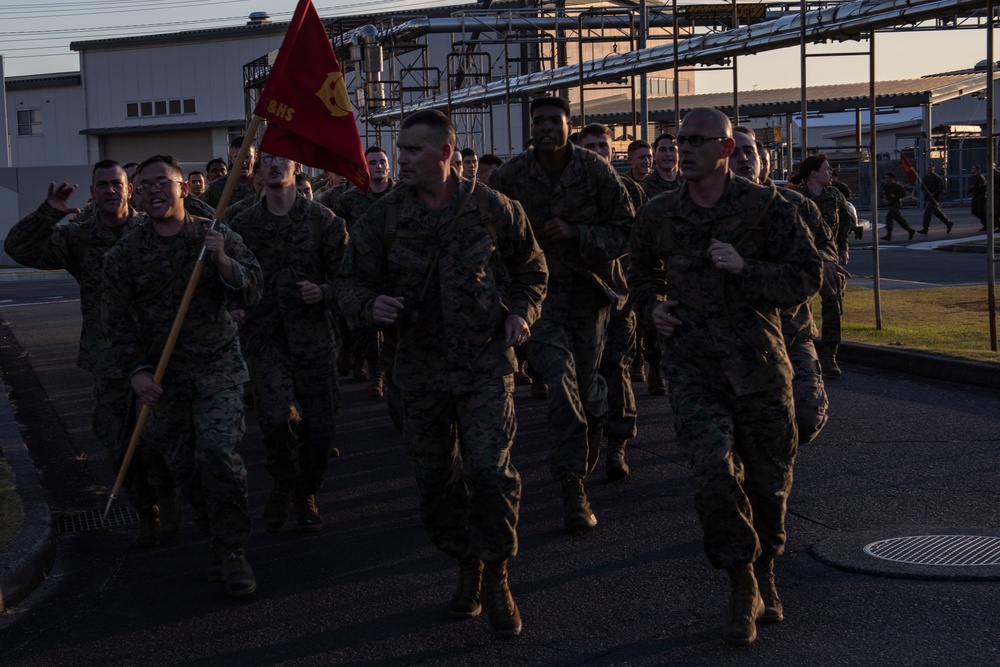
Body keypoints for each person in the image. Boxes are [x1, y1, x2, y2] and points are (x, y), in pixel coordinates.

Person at [336, 109, 547, 637]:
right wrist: (370, 305)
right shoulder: (382, 219)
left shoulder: (493, 207)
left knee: (490, 474)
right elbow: (348, 283)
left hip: (483, 364)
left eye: (412, 150)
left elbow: (532, 267)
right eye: (399, 149)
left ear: (446, 154)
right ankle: (466, 562)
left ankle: (496, 572)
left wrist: (522, 312)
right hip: (418, 371)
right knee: (436, 484)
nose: (401, 159)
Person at [629, 107, 820, 647]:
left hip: (759, 365)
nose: (683, 149)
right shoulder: (659, 213)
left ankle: (766, 573)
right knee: (714, 473)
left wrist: (747, 268)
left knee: (768, 485)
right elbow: (638, 272)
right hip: (693, 369)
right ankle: (740, 581)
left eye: (696, 141)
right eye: (679, 141)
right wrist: (651, 307)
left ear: (727, 149)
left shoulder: (769, 209)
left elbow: (806, 276)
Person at [102, 155, 263, 598]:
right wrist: (135, 371)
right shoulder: (126, 254)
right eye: (145, 184)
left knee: (217, 453)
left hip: (217, 368)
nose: (154, 190)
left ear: (183, 189)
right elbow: (114, 319)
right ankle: (214, 534)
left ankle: (233, 549)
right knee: (185, 467)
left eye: (163, 182)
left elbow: (254, 287)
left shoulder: (213, 236)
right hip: (164, 380)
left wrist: (223, 261)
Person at [4, 160, 177, 548]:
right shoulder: (80, 236)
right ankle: (144, 509)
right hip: (109, 359)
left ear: (129, 189)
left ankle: (167, 498)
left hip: (157, 356)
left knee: (156, 439)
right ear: (93, 192)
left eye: (117, 184)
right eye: (102, 185)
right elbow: (17, 248)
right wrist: (48, 213)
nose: (111, 191)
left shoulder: (153, 226)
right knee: (117, 441)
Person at [492, 96, 634, 533]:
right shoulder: (512, 176)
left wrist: (579, 232)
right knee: (561, 381)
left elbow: (627, 229)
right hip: (540, 300)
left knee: (590, 390)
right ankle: (572, 486)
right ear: (530, 128)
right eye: (540, 122)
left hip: (590, 296)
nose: (547, 128)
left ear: (570, 126)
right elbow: (488, 238)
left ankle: (593, 439)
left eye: (556, 120)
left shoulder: (595, 171)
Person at [229, 153, 346, 534]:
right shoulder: (242, 224)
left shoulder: (323, 221)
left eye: (283, 159)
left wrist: (324, 291)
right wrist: (236, 308)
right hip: (267, 339)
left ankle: (306, 492)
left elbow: (350, 279)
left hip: (314, 339)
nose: (274, 165)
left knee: (319, 428)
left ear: (298, 168)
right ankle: (283, 481)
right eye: (266, 160)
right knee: (276, 419)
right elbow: (229, 278)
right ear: (258, 172)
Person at [731, 128, 833, 447]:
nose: (745, 159)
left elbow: (824, 243)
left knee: (806, 415)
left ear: (764, 161)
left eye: (751, 153)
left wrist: (826, 260)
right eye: (735, 152)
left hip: (792, 326)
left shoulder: (793, 204)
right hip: (737, 333)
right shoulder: (711, 207)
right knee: (742, 424)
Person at [577, 122, 640, 480]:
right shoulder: (569, 195)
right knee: (584, 376)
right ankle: (592, 433)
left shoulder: (630, 191)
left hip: (620, 297)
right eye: (591, 146)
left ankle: (618, 442)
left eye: (604, 145)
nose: (599, 152)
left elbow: (643, 241)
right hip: (580, 300)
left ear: (613, 152)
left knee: (616, 368)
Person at [334, 145, 395, 398]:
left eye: (382, 161)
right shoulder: (350, 198)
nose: (378, 166)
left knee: (391, 322)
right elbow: (338, 231)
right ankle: (371, 367)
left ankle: (383, 370)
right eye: (373, 162)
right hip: (362, 269)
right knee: (364, 322)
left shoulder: (401, 194)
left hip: (394, 267)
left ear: (389, 166)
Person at [789, 154, 852, 377]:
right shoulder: (796, 198)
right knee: (803, 309)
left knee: (833, 306)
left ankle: (830, 357)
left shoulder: (834, 195)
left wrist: (843, 246)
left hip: (830, 260)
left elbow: (847, 220)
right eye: (827, 169)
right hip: (803, 262)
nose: (831, 173)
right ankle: (807, 354)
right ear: (813, 173)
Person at [202, 139, 256, 209]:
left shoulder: (264, 183)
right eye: (237, 157)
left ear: (255, 157)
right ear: (230, 158)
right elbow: (207, 214)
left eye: (247, 157)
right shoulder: (217, 187)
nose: (243, 163)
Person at [640, 132, 682, 198]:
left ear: (679, 154)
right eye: (662, 150)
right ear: (654, 155)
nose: (668, 154)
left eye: (672, 150)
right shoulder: (644, 187)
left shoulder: (691, 183)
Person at [918, 162, 953, 234]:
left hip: (934, 198)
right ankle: (948, 223)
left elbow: (941, 187)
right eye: (927, 168)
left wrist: (934, 194)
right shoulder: (925, 177)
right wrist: (922, 186)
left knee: (927, 212)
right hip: (927, 198)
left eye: (930, 168)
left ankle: (925, 228)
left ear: (933, 168)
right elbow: (923, 188)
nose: (928, 169)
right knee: (937, 213)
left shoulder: (937, 178)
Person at [880, 172, 915, 241]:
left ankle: (889, 235)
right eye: (885, 178)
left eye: (887, 177)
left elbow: (903, 194)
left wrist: (895, 196)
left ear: (892, 178)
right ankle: (910, 230)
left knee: (889, 218)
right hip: (890, 204)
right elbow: (882, 194)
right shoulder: (886, 186)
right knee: (899, 220)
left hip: (896, 204)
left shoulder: (897, 186)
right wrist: (883, 195)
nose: (886, 179)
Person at [968, 165, 988, 231]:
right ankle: (987, 220)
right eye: (972, 168)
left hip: (981, 196)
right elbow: (970, 186)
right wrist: (969, 189)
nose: (972, 169)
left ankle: (986, 224)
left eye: (974, 168)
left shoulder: (980, 177)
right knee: (974, 211)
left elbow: (982, 187)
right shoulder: (972, 177)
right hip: (975, 196)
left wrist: (974, 187)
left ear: (977, 170)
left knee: (981, 211)